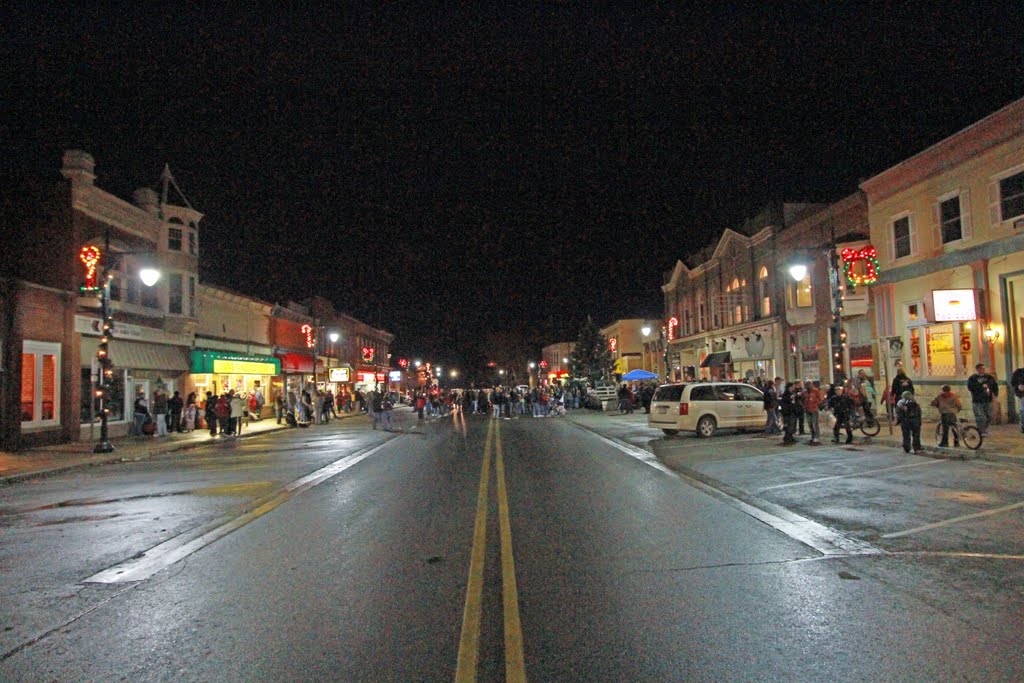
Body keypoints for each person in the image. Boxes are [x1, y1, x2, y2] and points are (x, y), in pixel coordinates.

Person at [966, 363, 998, 435]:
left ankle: (985, 428)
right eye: (981, 369)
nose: (983, 370)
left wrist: (995, 394)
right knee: (980, 417)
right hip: (977, 400)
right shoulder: (972, 378)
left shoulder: (989, 377)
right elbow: (970, 387)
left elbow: (995, 386)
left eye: (983, 369)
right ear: (977, 369)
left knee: (990, 415)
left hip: (988, 399)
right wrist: (981, 386)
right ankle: (981, 431)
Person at [803, 380, 822, 445]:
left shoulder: (816, 391)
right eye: (807, 384)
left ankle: (817, 437)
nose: (808, 385)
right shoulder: (804, 392)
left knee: (815, 424)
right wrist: (804, 405)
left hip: (814, 410)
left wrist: (815, 404)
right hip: (807, 409)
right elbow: (802, 399)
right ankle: (812, 436)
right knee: (810, 423)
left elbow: (820, 399)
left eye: (809, 384)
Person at [1011, 366, 1024, 434]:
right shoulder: (1019, 372)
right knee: (1023, 411)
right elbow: (1012, 382)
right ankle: (1023, 426)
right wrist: (1018, 385)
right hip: (1022, 394)